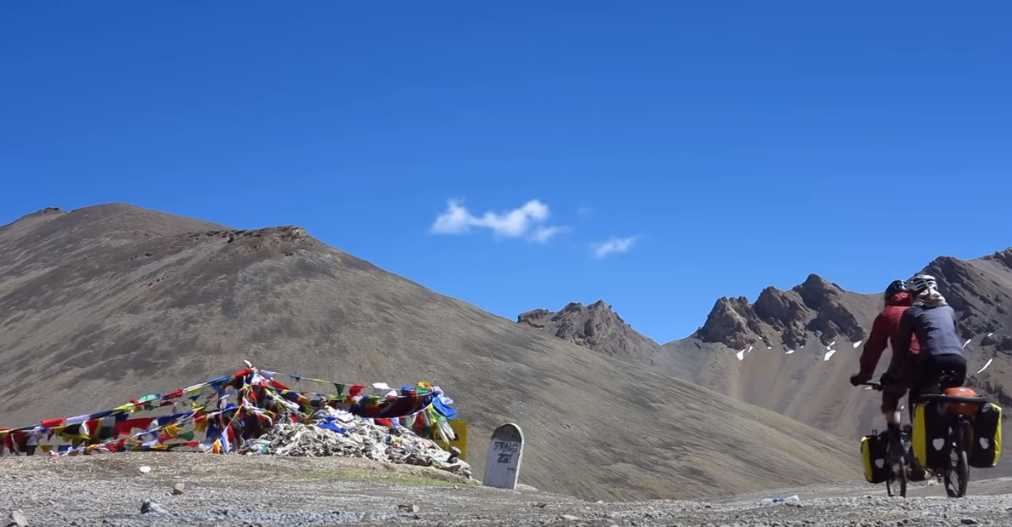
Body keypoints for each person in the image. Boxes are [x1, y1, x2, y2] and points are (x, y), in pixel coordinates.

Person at [850, 280, 920, 428]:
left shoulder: (888, 314)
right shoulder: (921, 311)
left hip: (906, 364)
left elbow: (873, 349)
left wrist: (864, 375)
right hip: (933, 361)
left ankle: (895, 437)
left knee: (891, 395)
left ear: (889, 298)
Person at [896, 274, 967, 403]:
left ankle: (920, 422)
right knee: (953, 401)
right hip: (959, 361)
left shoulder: (911, 312)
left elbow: (901, 348)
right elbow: (956, 337)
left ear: (914, 294)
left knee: (918, 396)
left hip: (932, 360)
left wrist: (893, 374)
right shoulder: (949, 310)